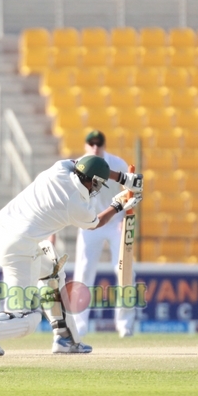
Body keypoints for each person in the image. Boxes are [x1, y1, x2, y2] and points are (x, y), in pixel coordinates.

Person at [0, 154, 143, 356]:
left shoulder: (61, 168)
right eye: (98, 184)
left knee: (52, 271)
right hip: (18, 248)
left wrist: (123, 179)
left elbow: (84, 162)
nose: (97, 189)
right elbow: (96, 223)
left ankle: (66, 338)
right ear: (92, 181)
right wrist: (118, 205)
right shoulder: (74, 203)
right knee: (28, 319)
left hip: (0, 232)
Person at [71, 130, 137, 338]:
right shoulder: (79, 165)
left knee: (125, 271)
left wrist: (126, 219)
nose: (95, 148)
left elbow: (131, 192)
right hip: (90, 222)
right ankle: (79, 326)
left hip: (115, 221)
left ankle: (125, 325)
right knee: (83, 272)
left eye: (99, 144)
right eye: (91, 144)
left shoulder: (117, 164)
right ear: (86, 145)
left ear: (104, 146)